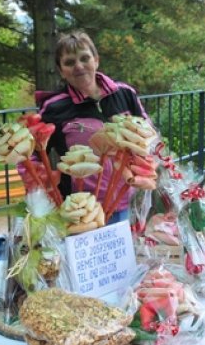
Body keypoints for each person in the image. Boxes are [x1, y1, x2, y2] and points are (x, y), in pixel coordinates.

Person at [35, 30, 150, 223]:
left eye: (84, 58)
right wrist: (43, 185)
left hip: (127, 204)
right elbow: (31, 153)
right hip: (80, 211)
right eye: (69, 62)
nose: (78, 66)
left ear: (96, 60)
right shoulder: (54, 107)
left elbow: (148, 136)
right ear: (61, 70)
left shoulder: (125, 94)